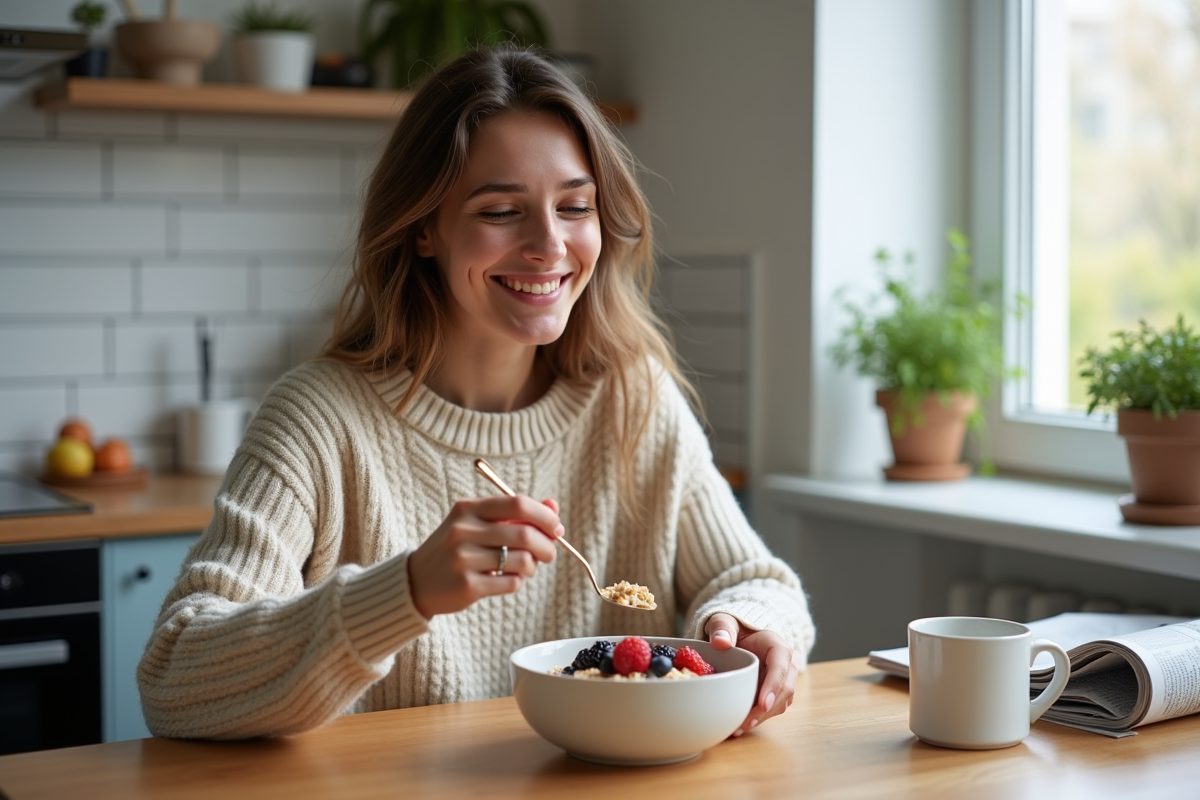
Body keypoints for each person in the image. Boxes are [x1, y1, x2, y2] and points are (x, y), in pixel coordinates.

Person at [138, 46, 814, 741]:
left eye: (575, 206)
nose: (549, 245)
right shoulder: (318, 418)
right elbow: (174, 678)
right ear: (425, 228)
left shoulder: (632, 398)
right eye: (501, 211)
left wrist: (748, 626)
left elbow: (753, 578)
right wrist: (404, 592)